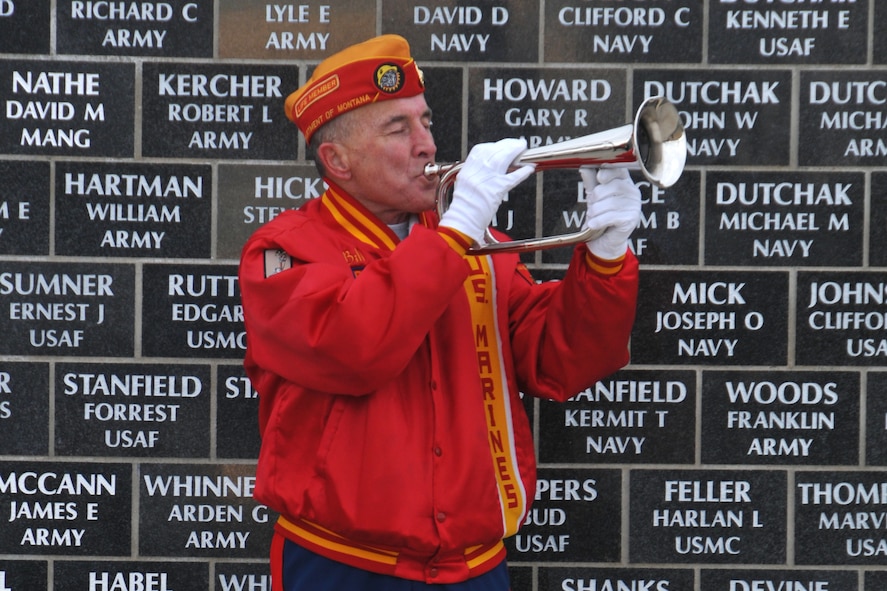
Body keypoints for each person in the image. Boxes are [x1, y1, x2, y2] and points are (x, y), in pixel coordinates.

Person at [238, 34, 641, 591]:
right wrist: (456, 233)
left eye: (425, 121)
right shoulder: (282, 250)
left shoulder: (474, 244)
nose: (427, 144)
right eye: (398, 129)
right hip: (342, 564)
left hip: (476, 566)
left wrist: (605, 255)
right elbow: (353, 349)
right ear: (337, 160)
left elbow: (559, 362)